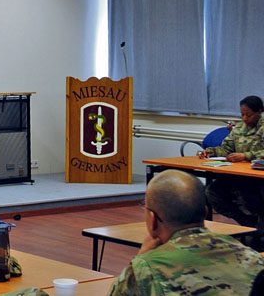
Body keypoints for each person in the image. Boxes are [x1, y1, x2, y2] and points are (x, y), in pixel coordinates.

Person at [108, 169, 264, 295]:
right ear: (205, 212)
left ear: (152, 219)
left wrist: (141, 258)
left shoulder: (145, 270)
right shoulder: (252, 257)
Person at [199, 95, 264, 227]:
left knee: (248, 195)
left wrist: (246, 155)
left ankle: (259, 227)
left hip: (257, 178)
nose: (245, 118)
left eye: (249, 115)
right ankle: (247, 223)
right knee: (213, 192)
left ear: (259, 112)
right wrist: (211, 152)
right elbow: (227, 149)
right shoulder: (240, 128)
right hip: (238, 175)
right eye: (242, 115)